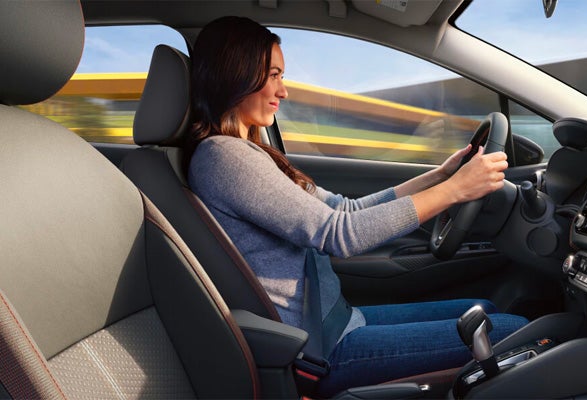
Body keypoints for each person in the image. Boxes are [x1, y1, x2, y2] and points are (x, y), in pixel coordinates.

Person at [185, 16, 528, 396]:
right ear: (235, 74)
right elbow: (339, 236)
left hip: (337, 321)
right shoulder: (224, 157)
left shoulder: (246, 153)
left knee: (484, 308)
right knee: (515, 333)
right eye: (274, 75)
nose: (283, 91)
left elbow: (344, 211)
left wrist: (440, 177)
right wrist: (456, 191)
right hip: (320, 348)